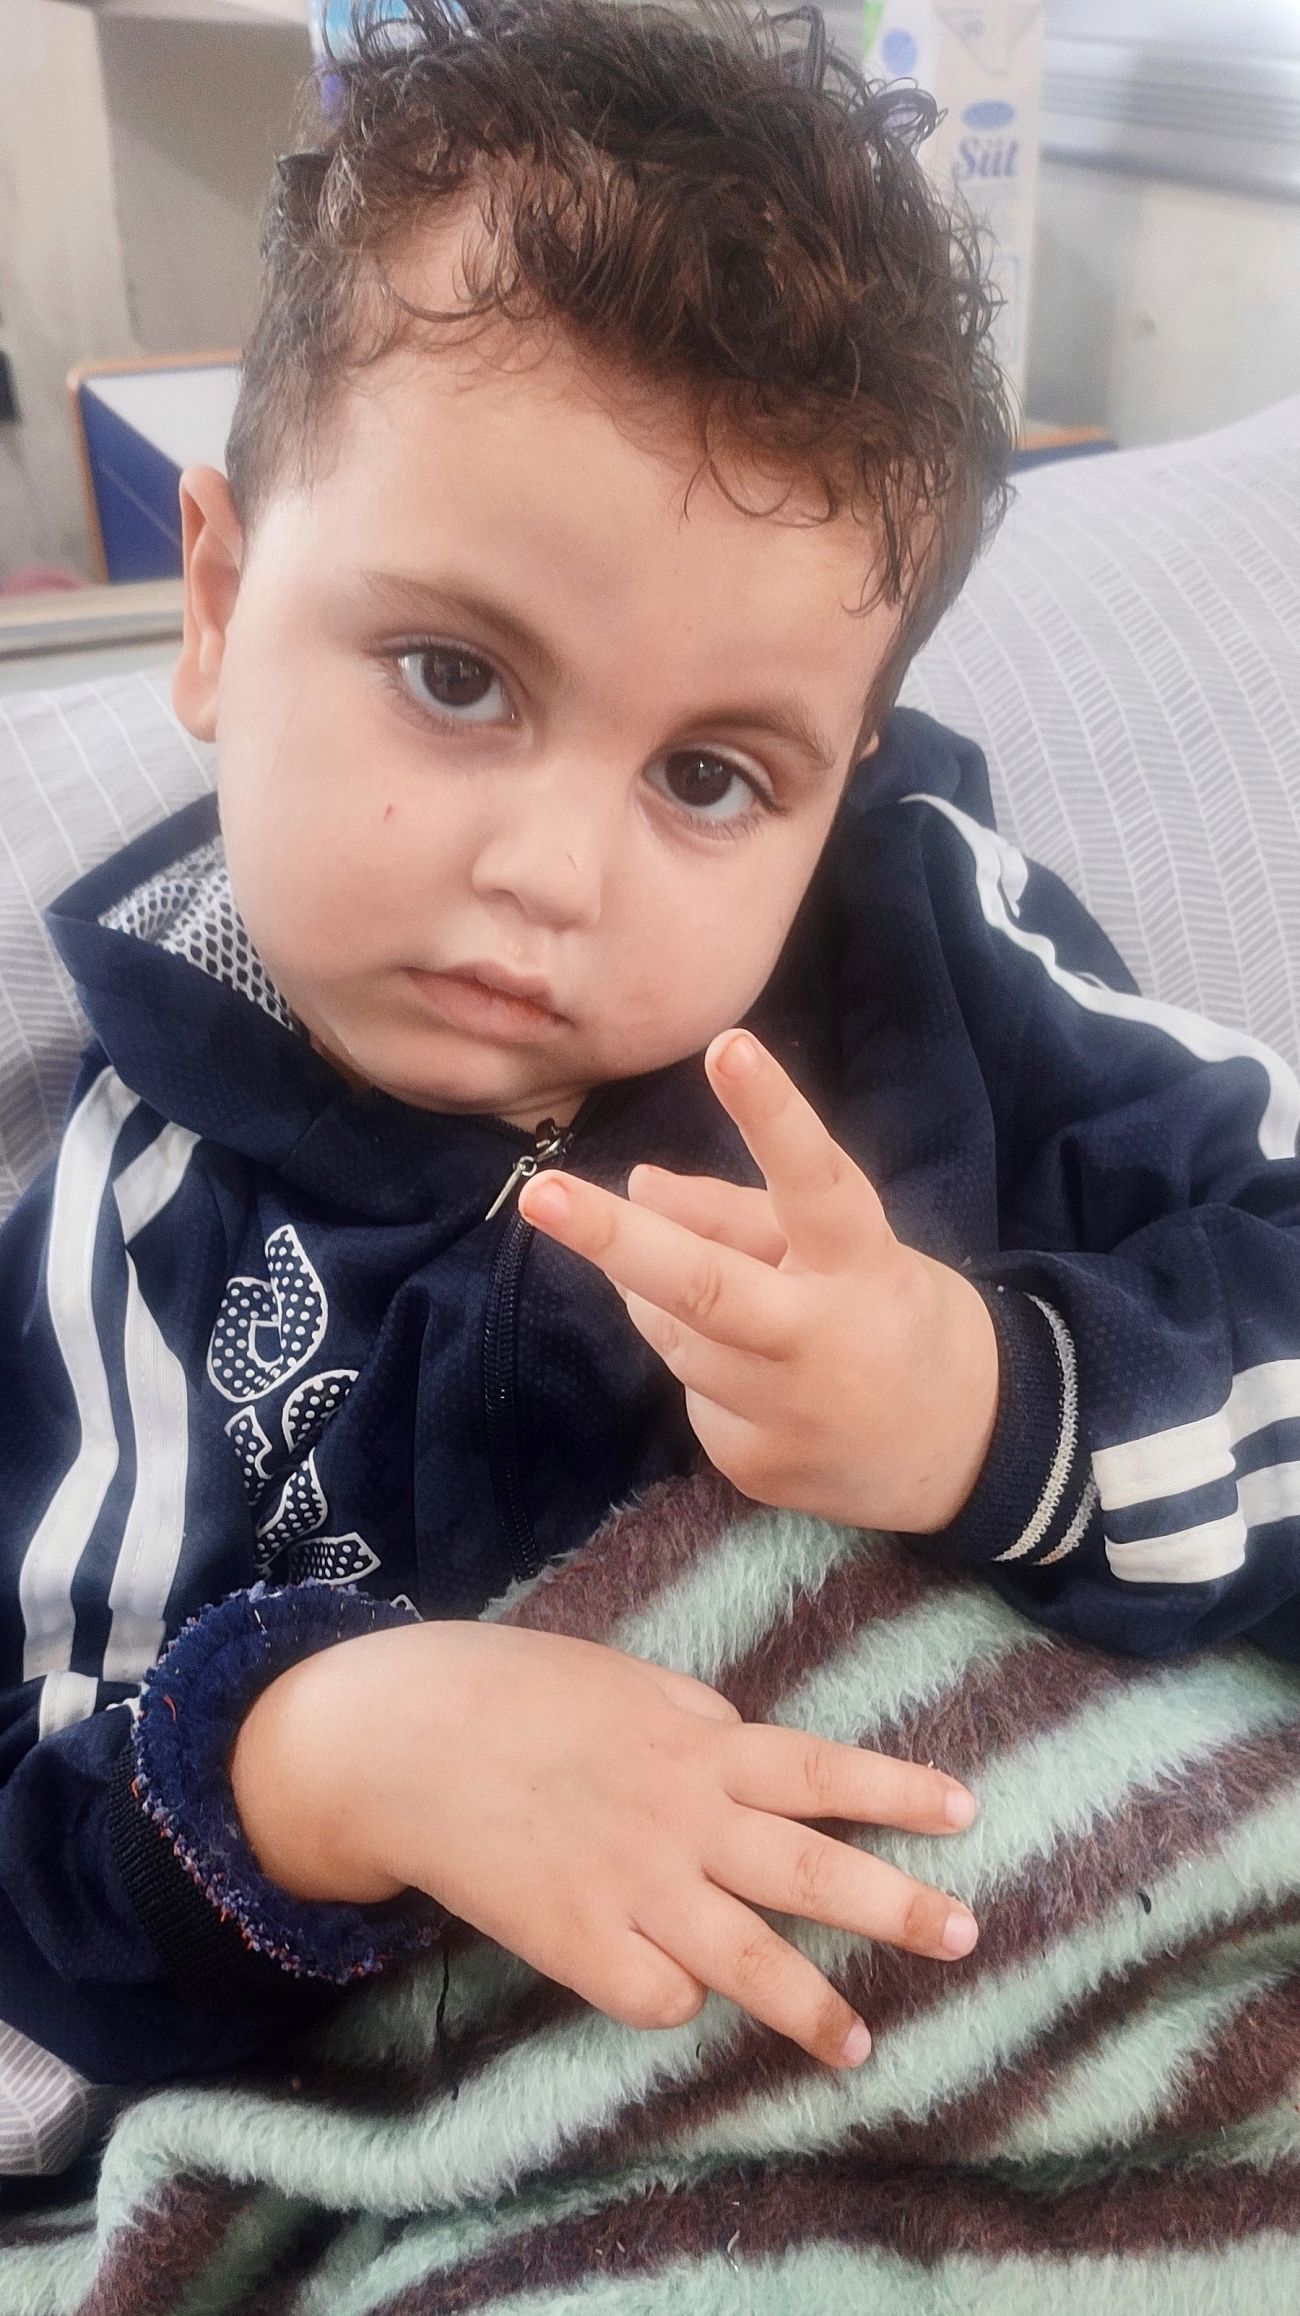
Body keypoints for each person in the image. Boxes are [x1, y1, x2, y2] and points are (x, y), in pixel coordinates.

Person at [3, 0, 1299, 2175]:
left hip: (1142, 1980)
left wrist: (995, 1410)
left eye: (711, 775)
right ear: (218, 608)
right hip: (547, 2148)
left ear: (837, 782)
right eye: (453, 675)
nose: (552, 876)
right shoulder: (124, 1228)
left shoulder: (923, 958)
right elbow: (37, 1857)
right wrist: (324, 1751)